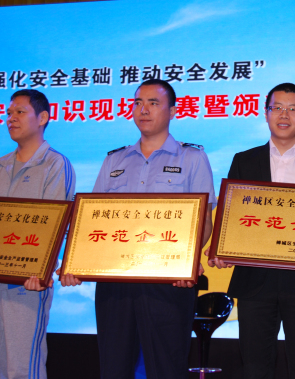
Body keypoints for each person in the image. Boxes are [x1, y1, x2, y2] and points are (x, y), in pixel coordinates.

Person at [60, 79, 216, 379]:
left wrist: (186, 263)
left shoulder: (192, 158)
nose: (143, 110)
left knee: (167, 368)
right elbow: (92, 220)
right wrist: (74, 264)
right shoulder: (114, 160)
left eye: (153, 103)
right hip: (115, 282)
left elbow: (204, 222)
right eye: (138, 103)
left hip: (169, 281)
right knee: (114, 368)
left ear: (173, 111)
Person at [209, 82, 295, 379]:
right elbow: (234, 215)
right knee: (255, 368)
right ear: (266, 113)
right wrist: (223, 248)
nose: (284, 115)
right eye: (277, 108)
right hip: (255, 281)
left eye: (293, 109)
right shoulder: (244, 161)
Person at [0, 89, 76, 379]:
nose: (11, 118)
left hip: (26, 285)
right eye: (9, 113)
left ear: (42, 118)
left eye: (20, 112)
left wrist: (40, 269)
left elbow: (56, 224)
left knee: (22, 368)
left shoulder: (56, 164)